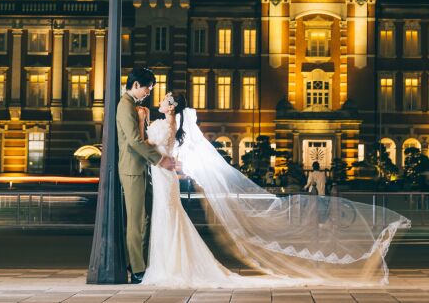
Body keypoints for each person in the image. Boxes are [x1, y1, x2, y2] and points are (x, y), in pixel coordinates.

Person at [141, 93, 410, 288]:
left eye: (165, 98)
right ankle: (170, 263)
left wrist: (141, 121)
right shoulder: (172, 125)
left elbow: (144, 143)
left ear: (172, 106)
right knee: (169, 218)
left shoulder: (167, 124)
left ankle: (168, 264)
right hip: (165, 177)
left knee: (168, 218)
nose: (161, 98)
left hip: (163, 176)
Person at [116, 67, 176, 284]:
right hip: (132, 168)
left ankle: (140, 264)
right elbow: (133, 140)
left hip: (141, 168)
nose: (148, 93)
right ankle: (137, 269)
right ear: (135, 86)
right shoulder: (125, 105)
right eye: (147, 89)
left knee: (145, 218)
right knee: (136, 220)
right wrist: (160, 159)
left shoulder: (134, 106)